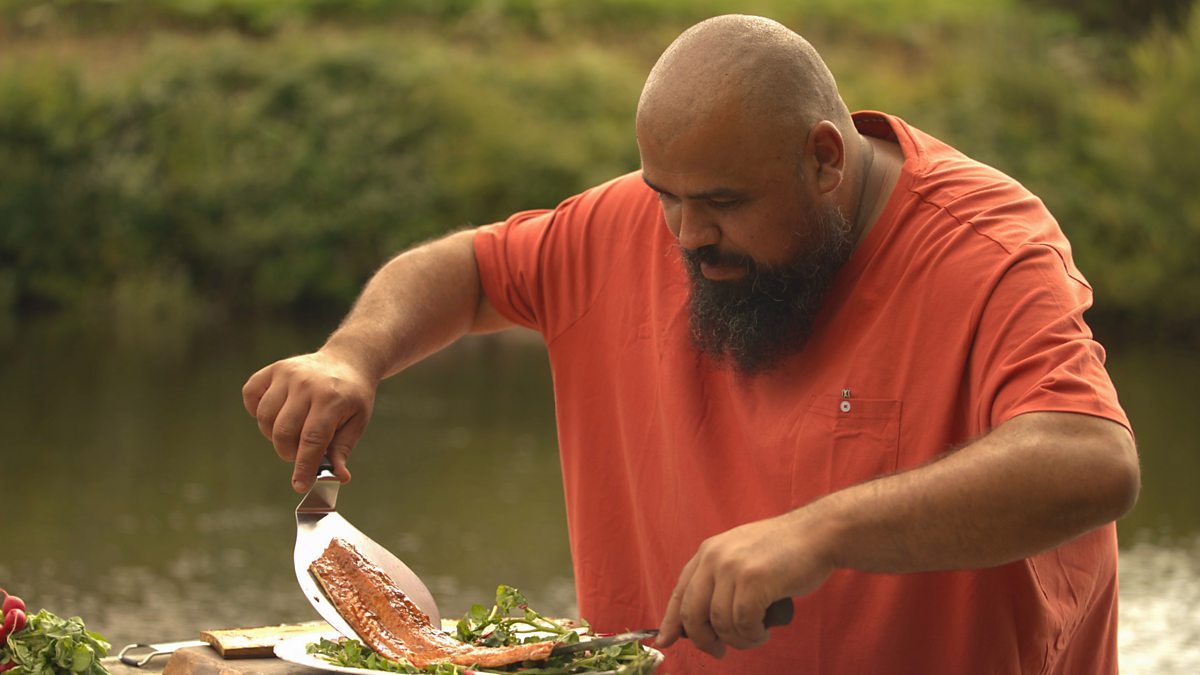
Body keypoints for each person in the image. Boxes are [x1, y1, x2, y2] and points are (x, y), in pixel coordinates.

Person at [242, 14, 1140, 674]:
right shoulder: (650, 217)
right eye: (664, 194)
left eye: (721, 204)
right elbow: (470, 269)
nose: (685, 235)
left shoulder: (986, 249)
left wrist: (820, 530)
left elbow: (1090, 460)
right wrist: (352, 355)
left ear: (825, 159)